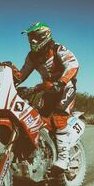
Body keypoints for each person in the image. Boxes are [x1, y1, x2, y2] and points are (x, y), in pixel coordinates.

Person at [11, 22, 80, 170]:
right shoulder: (32, 56)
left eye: (35, 37)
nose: (32, 41)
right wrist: (9, 75)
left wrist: (61, 82)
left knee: (58, 117)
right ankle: (42, 151)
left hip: (65, 88)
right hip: (48, 90)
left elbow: (73, 65)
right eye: (30, 38)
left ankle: (64, 158)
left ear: (44, 36)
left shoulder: (58, 49)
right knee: (37, 119)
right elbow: (22, 74)